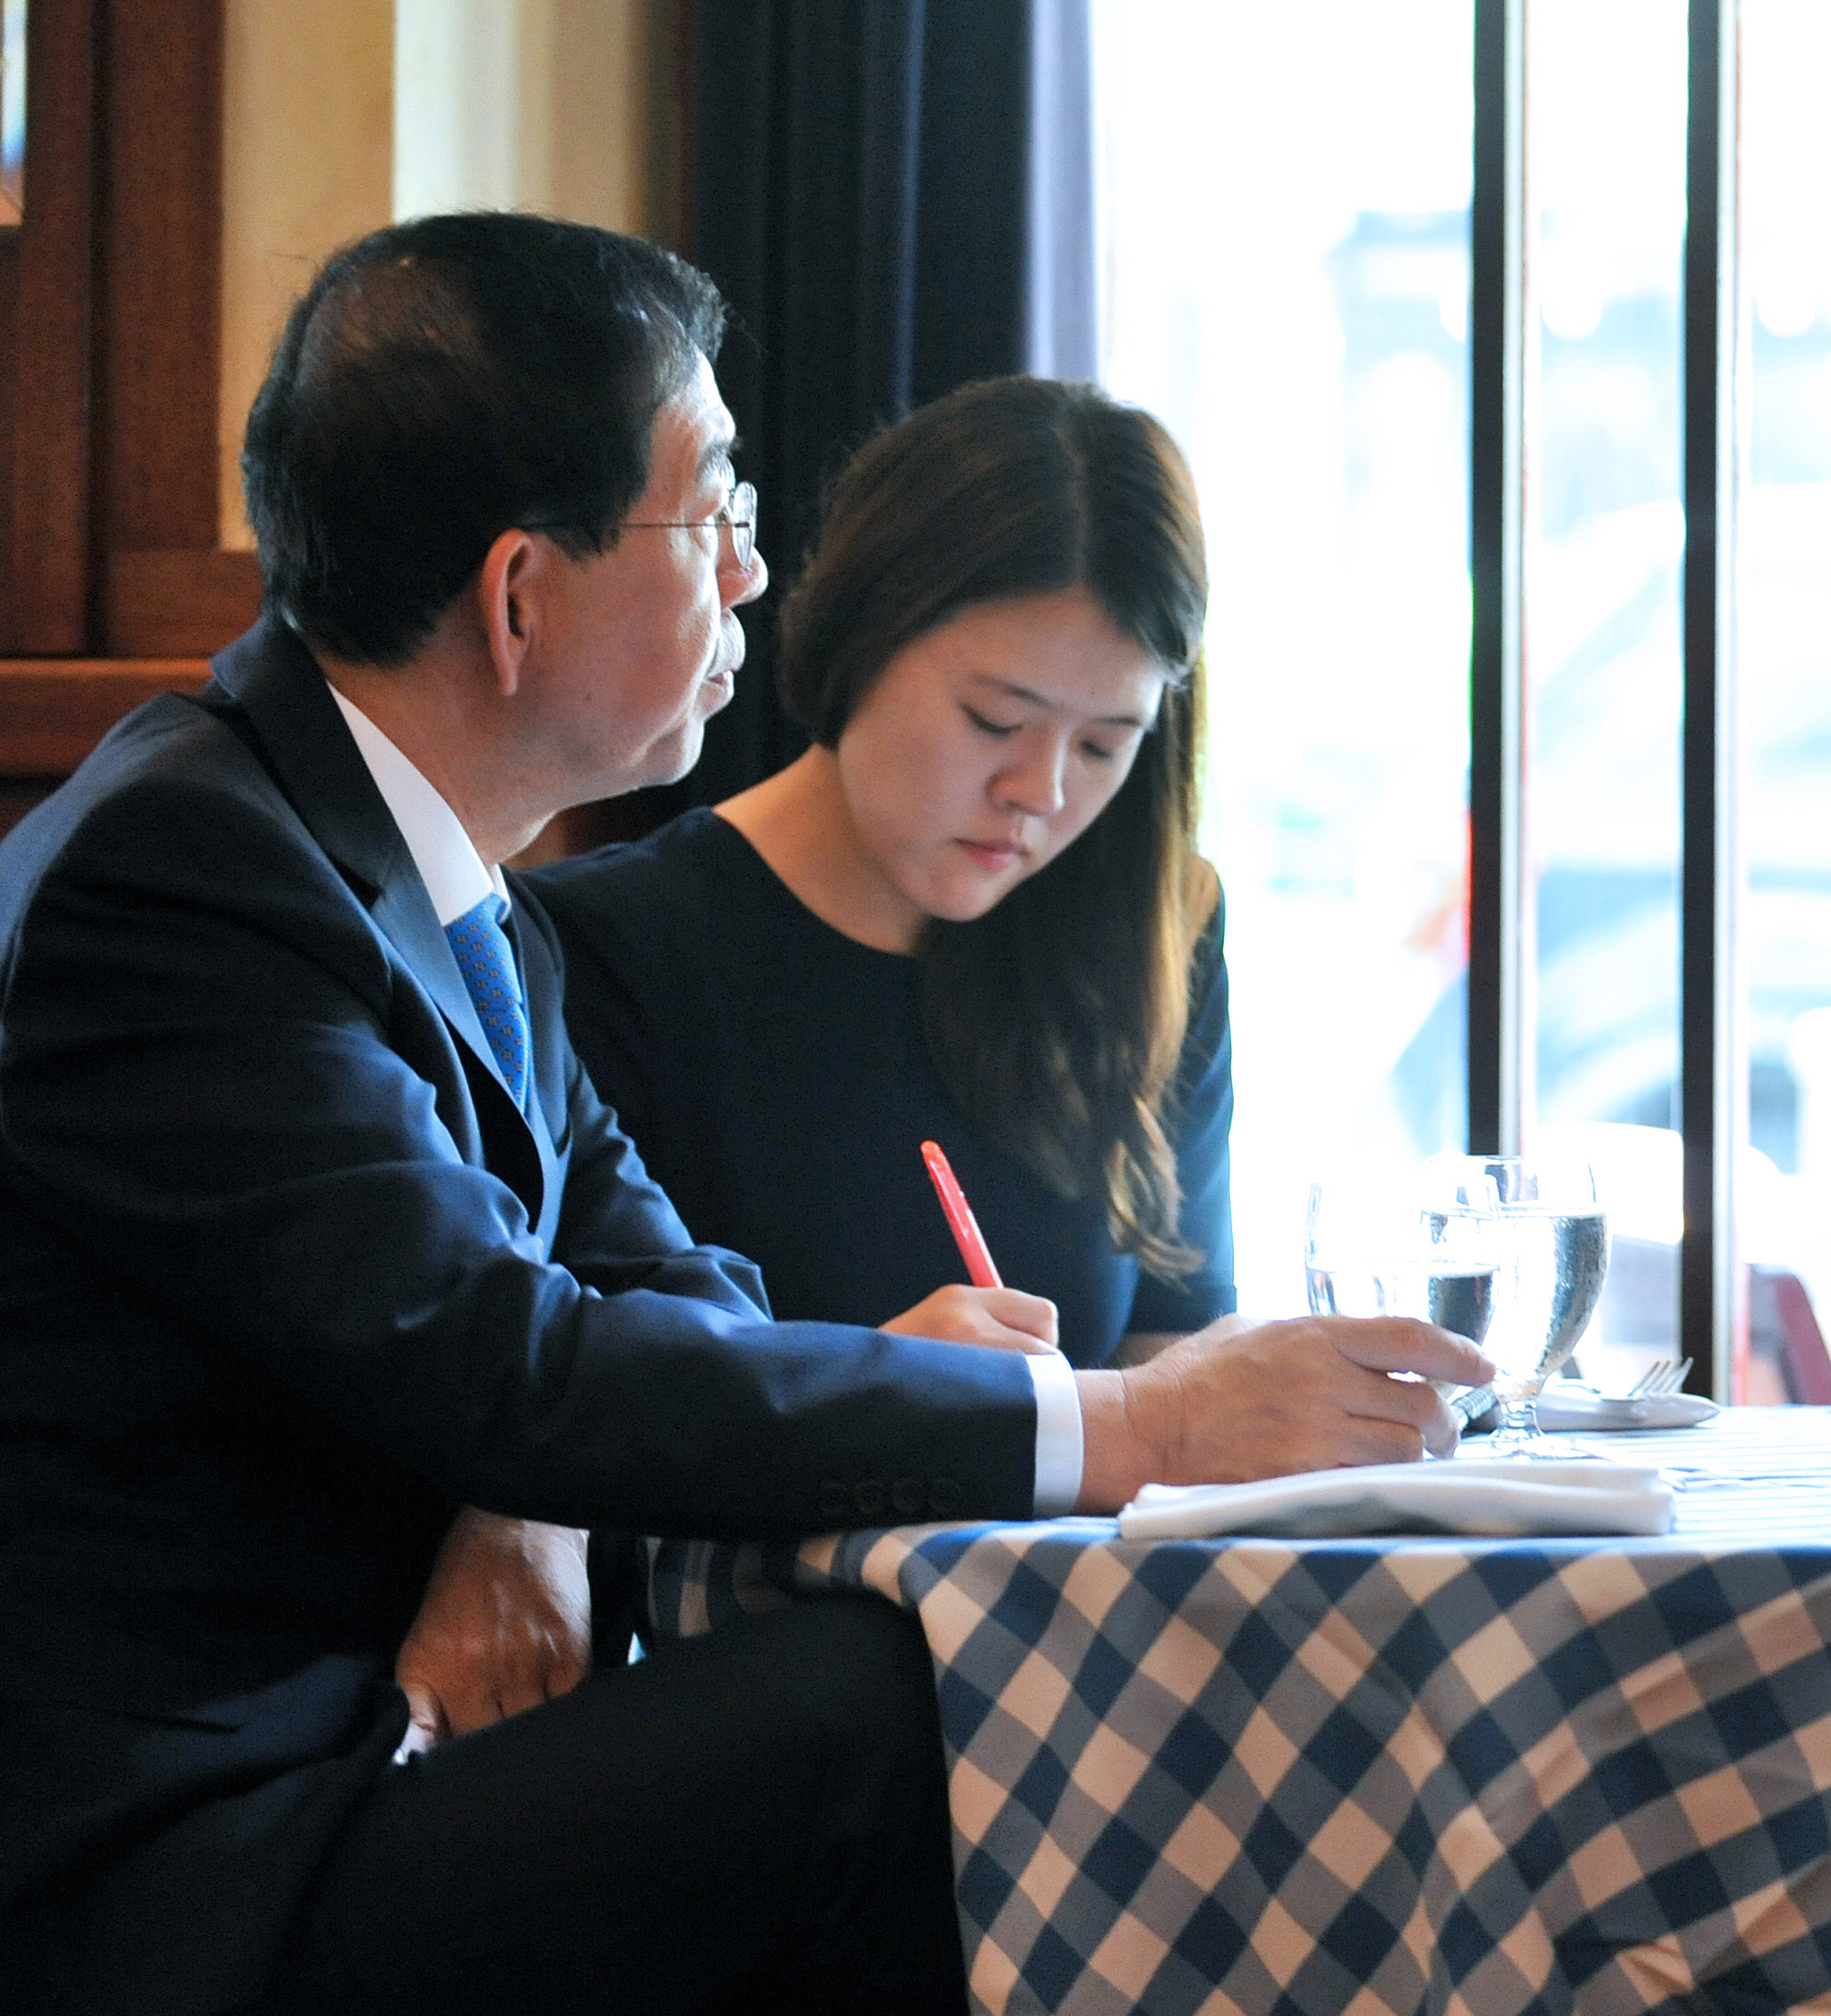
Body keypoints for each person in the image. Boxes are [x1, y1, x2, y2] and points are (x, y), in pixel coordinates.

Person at [0, 213, 1490, 2016]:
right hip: (187, 1865)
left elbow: (665, 1272)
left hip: (361, 1771)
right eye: (712, 518)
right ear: (521, 595)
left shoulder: (428, 870)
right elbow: (508, 1358)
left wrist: (948, 1397)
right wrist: (1105, 1420)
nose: (754, 574)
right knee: (884, 1703)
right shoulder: (194, 874)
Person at [525, 378, 1231, 1370]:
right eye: (994, 720)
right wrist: (874, 1395)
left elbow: (1171, 1356)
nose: (1039, 789)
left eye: (1105, 746)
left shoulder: (1158, 925)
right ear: (863, 631)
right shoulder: (599, 950)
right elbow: (562, 1419)